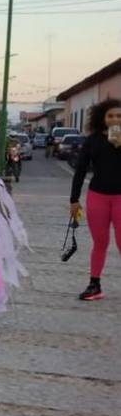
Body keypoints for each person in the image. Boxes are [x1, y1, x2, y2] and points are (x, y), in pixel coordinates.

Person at [70, 98, 121, 301]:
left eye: (119, 115)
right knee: (100, 242)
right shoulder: (92, 140)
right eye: (110, 115)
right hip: (97, 197)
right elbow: (80, 170)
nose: (115, 119)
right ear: (103, 118)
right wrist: (74, 200)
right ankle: (94, 285)